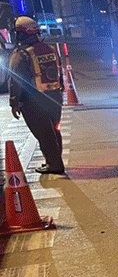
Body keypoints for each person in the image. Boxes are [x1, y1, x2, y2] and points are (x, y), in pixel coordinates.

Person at [8, 16, 65, 174]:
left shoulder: (21, 54)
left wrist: (14, 102)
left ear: (21, 34)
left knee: (44, 133)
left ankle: (55, 165)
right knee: (54, 131)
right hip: (54, 96)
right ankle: (55, 160)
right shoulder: (51, 49)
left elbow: (16, 81)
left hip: (33, 100)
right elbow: (59, 72)